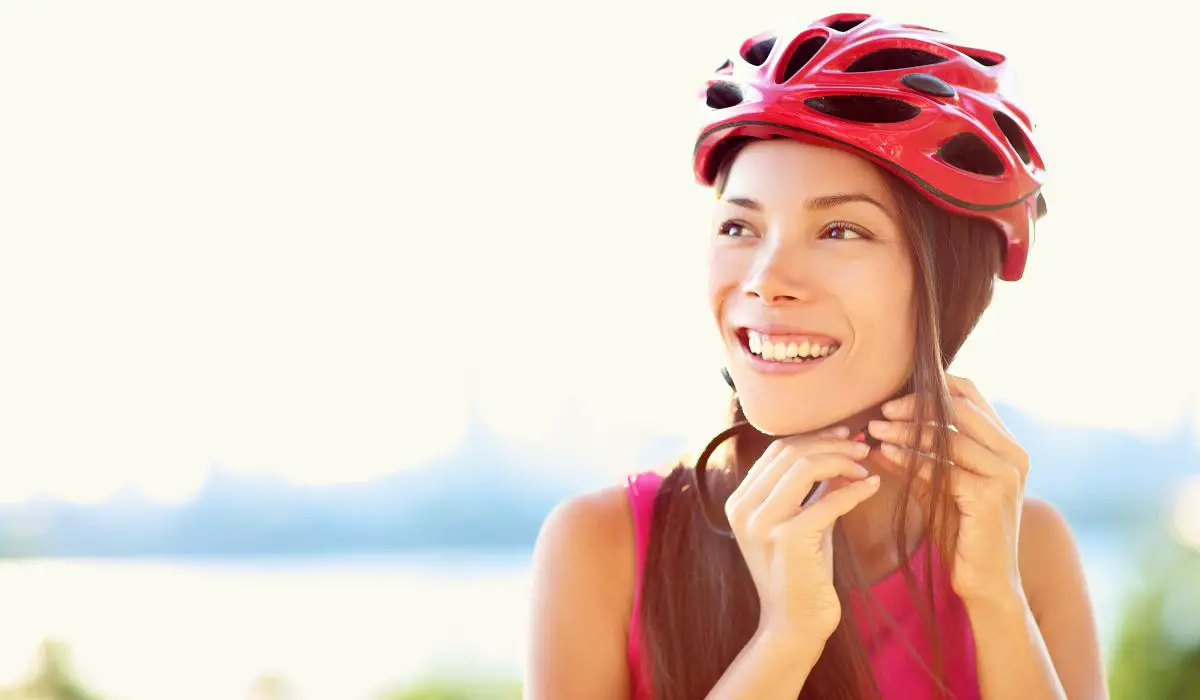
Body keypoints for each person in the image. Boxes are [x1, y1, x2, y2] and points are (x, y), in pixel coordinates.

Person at [526, 13, 1106, 700]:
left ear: (946, 283)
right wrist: (785, 639)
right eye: (739, 225)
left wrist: (996, 602)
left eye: (839, 229)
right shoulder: (604, 549)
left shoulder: (1024, 550)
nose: (767, 278)